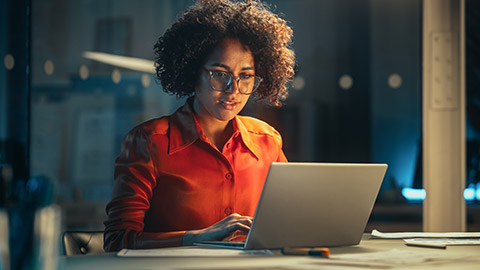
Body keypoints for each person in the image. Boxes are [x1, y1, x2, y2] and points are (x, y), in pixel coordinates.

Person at [103, 0, 295, 251]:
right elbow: (117, 241)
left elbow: (291, 222)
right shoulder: (149, 142)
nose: (233, 90)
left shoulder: (268, 141)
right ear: (192, 71)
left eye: (245, 77)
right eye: (219, 74)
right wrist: (196, 236)